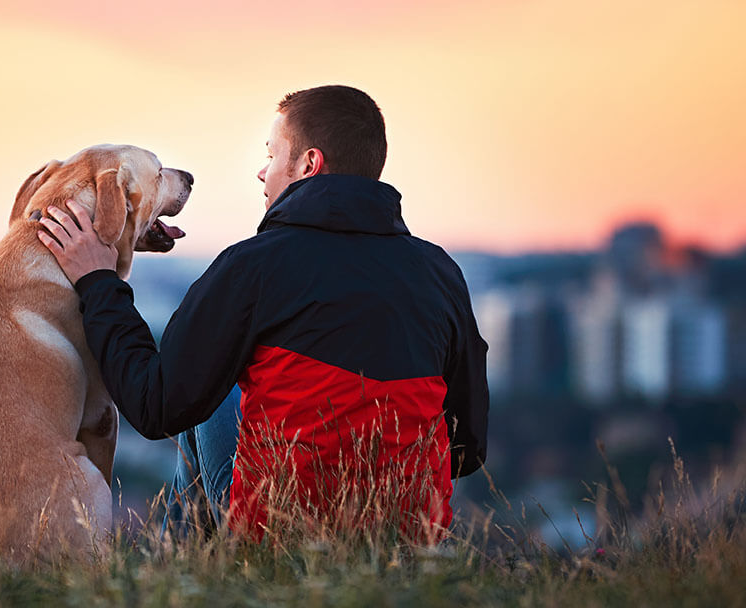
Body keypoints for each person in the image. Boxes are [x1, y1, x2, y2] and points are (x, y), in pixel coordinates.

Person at [37, 85, 488, 542]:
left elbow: (154, 407)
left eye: (272, 155)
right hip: (409, 537)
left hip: (283, 534)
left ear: (308, 165)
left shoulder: (252, 266)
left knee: (205, 398)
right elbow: (467, 448)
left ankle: (182, 578)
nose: (261, 171)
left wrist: (98, 282)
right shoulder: (440, 274)